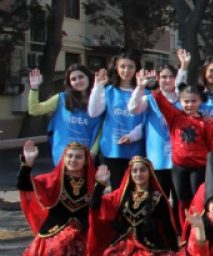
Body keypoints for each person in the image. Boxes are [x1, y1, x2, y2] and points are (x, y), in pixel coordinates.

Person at [0, 141, 95, 256]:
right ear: (63, 158)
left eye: (78, 157)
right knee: (57, 253)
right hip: (56, 231)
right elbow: (24, 185)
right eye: (69, 156)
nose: (73, 160)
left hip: (84, 232)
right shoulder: (53, 180)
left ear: (86, 161)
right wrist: (28, 163)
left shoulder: (94, 182)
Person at [75, 157, 178, 256]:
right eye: (134, 171)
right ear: (130, 173)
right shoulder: (122, 195)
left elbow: (167, 226)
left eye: (142, 170)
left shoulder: (158, 197)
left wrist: (175, 250)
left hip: (149, 245)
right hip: (123, 245)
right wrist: (100, 185)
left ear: (150, 172)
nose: (138, 174)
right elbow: (95, 206)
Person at [151, 83, 213, 222]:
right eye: (186, 101)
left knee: (198, 199)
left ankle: (198, 232)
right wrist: (156, 90)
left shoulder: (206, 123)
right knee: (182, 200)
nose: (189, 105)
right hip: (179, 167)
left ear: (200, 101)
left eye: (193, 101)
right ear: (180, 101)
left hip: (199, 168)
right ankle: (183, 234)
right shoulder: (175, 117)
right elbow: (162, 103)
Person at [88, 55, 146, 187]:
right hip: (112, 150)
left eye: (130, 66)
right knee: (117, 190)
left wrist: (132, 137)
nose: (126, 70)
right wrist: (97, 88)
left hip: (136, 151)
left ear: (136, 69)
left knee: (135, 191)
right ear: (116, 68)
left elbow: (145, 122)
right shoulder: (108, 91)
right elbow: (93, 112)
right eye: (122, 66)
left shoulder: (143, 92)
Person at [27, 65, 102, 164]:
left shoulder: (100, 99)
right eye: (73, 79)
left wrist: (93, 152)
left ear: (88, 77)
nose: (78, 81)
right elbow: (34, 110)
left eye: (81, 77)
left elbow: (102, 129)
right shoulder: (61, 98)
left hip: (87, 157)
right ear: (69, 83)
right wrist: (34, 87)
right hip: (64, 157)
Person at [128, 64, 179, 205]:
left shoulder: (182, 100)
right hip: (157, 159)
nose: (167, 80)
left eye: (170, 77)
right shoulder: (149, 100)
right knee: (159, 200)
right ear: (157, 79)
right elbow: (132, 109)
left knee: (178, 200)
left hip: (178, 159)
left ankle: (177, 227)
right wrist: (140, 87)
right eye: (163, 77)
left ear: (176, 79)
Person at [178, 51, 213, 156]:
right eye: (212, 71)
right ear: (205, 70)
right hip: (200, 145)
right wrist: (184, 66)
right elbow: (179, 89)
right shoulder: (195, 93)